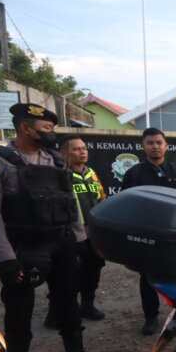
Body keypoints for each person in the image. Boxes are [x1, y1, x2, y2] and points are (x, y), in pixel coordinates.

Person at [0, 103, 93, 352]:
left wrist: (79, 239)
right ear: (26, 128)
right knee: (19, 308)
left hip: (60, 242)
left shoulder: (56, 160)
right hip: (23, 246)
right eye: (46, 128)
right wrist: (5, 259)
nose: (52, 133)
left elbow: (68, 202)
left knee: (67, 300)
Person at [121, 127, 176, 335]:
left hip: (172, 236)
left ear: (166, 146)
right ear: (143, 146)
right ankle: (151, 318)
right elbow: (127, 205)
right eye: (150, 143)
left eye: (159, 142)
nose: (155, 146)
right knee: (148, 279)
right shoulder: (134, 174)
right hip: (146, 236)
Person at [61, 135, 107, 321]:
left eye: (84, 148)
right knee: (68, 273)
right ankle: (60, 310)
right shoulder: (61, 176)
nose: (82, 152)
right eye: (77, 149)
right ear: (64, 153)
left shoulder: (91, 173)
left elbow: (101, 197)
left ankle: (88, 305)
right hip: (71, 235)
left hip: (93, 234)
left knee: (93, 269)